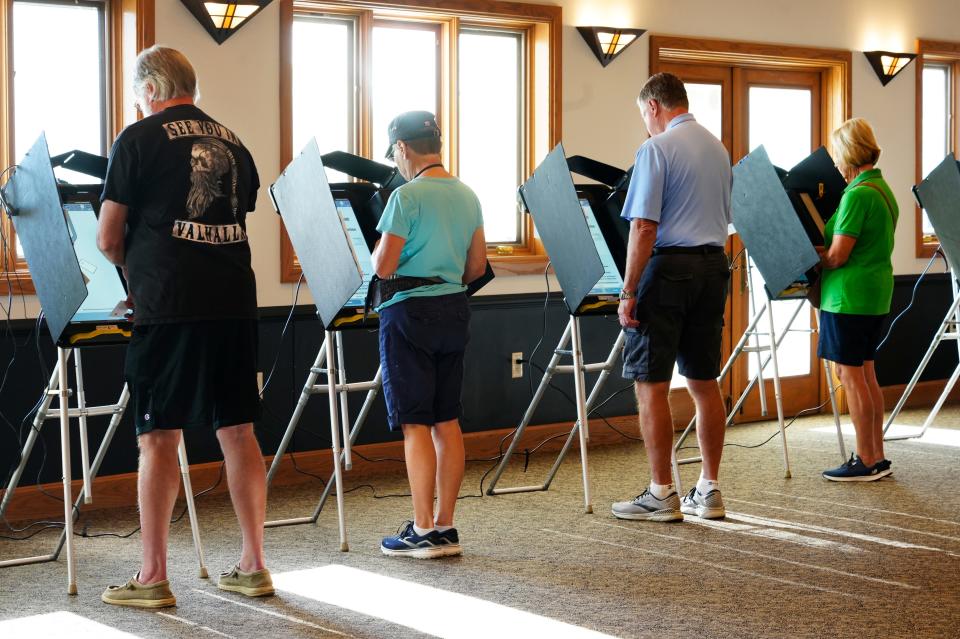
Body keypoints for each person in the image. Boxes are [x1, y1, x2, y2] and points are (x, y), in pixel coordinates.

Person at [97, 45, 272, 607]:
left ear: (150, 90)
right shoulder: (235, 143)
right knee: (238, 431)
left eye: (136, 95)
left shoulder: (137, 138)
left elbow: (107, 237)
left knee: (158, 438)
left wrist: (138, 283)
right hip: (233, 305)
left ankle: (153, 577)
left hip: (169, 308)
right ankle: (254, 565)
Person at [612, 73, 732, 522]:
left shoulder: (656, 149)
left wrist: (627, 292)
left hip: (669, 270)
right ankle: (709, 490)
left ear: (655, 106)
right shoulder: (718, 149)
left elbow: (643, 227)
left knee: (651, 385)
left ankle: (662, 493)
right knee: (704, 383)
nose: (646, 123)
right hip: (713, 267)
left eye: (644, 114)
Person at [372, 111, 487, 558]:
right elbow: (476, 266)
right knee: (447, 420)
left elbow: (383, 266)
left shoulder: (406, 197)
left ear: (402, 149)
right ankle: (444, 526)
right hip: (454, 309)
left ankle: (420, 529)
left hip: (408, 313)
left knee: (414, 422)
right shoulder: (468, 195)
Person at [817, 117, 897, 482]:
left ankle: (865, 458)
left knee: (850, 374)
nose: (835, 163)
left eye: (837, 154)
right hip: (875, 293)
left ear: (848, 153)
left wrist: (803, 253)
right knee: (865, 371)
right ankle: (876, 455)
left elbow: (837, 256)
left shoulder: (856, 194)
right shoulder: (882, 190)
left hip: (847, 297)